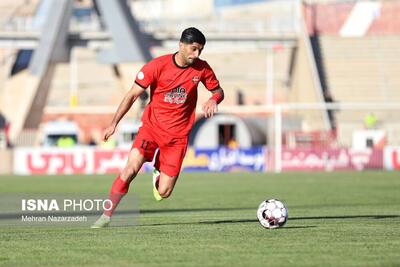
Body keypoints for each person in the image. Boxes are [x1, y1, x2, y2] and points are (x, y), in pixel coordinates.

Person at [91, 27, 224, 228]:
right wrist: (113, 124)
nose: (196, 54)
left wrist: (214, 99)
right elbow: (132, 95)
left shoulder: (202, 69)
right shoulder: (157, 66)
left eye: (200, 50)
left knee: (164, 192)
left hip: (177, 138)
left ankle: (158, 170)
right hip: (151, 130)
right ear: (181, 45)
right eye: (194, 49)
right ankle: (106, 215)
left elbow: (218, 90)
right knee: (130, 170)